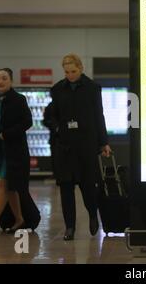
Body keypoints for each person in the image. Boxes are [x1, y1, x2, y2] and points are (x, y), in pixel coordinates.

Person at [50, 53, 111, 241]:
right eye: (67, 72)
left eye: (73, 71)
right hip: (65, 146)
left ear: (81, 69)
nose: (70, 75)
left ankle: (93, 214)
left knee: (88, 187)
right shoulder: (58, 89)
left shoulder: (92, 88)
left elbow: (99, 116)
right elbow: (53, 115)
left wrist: (104, 142)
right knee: (66, 188)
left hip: (86, 145)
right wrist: (57, 127)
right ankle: (70, 227)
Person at [0, 68, 33, 235]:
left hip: (14, 150)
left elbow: (27, 122)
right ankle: (19, 219)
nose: (1, 81)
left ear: (11, 81)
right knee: (10, 188)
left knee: (3, 182)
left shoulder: (19, 100)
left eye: (4, 78)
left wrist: (7, 134)